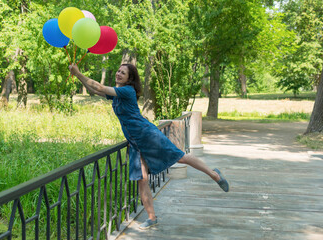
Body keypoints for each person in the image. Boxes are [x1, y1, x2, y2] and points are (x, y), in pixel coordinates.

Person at [69, 63, 229, 230]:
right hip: (135, 142)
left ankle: (214, 175)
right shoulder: (117, 94)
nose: (118, 74)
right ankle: (152, 218)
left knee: (180, 157)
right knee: (142, 179)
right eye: (118, 71)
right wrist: (78, 76)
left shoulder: (127, 91)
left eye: (122, 73)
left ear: (130, 78)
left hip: (148, 135)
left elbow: (99, 86)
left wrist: (78, 73)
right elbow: (95, 90)